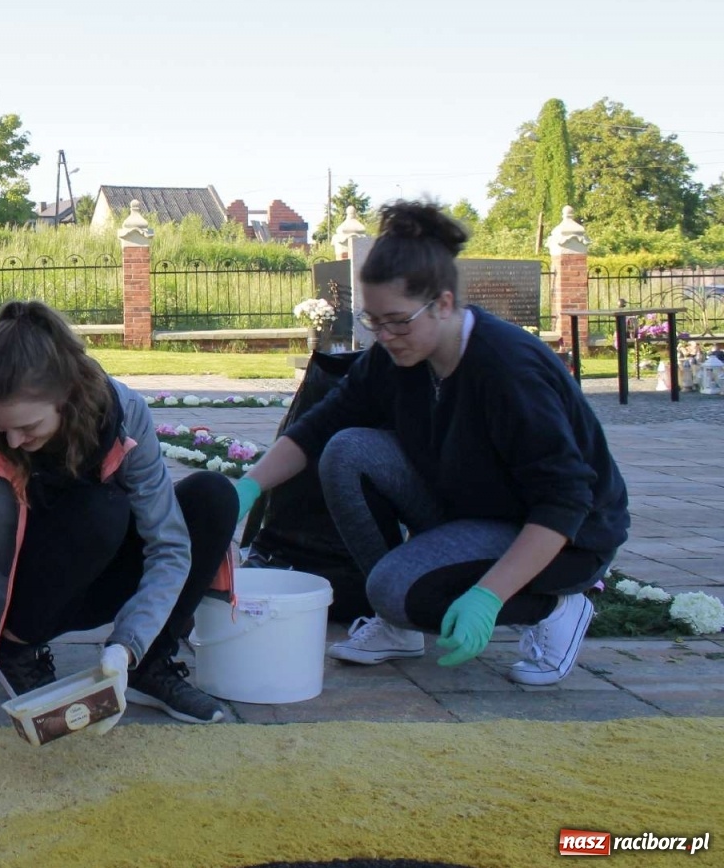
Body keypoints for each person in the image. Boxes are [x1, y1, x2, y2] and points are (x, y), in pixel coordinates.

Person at [237, 202, 630, 686]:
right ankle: (398, 626)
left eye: (397, 320)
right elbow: (317, 428)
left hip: (565, 537)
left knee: (394, 589)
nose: (385, 336)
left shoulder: (508, 371)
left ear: (443, 304)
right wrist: (246, 489)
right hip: (471, 505)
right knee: (346, 449)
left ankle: (556, 607)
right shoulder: (396, 356)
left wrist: (489, 594)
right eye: (373, 320)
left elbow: (566, 501)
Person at [0, 301, 239, 745]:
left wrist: (128, 646)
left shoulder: (124, 415)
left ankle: (148, 665)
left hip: (97, 565)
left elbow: (169, 546)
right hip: (22, 596)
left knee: (212, 497)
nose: (12, 441)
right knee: (101, 511)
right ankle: (16, 648)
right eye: (2, 427)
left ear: (67, 394)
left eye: (27, 427)